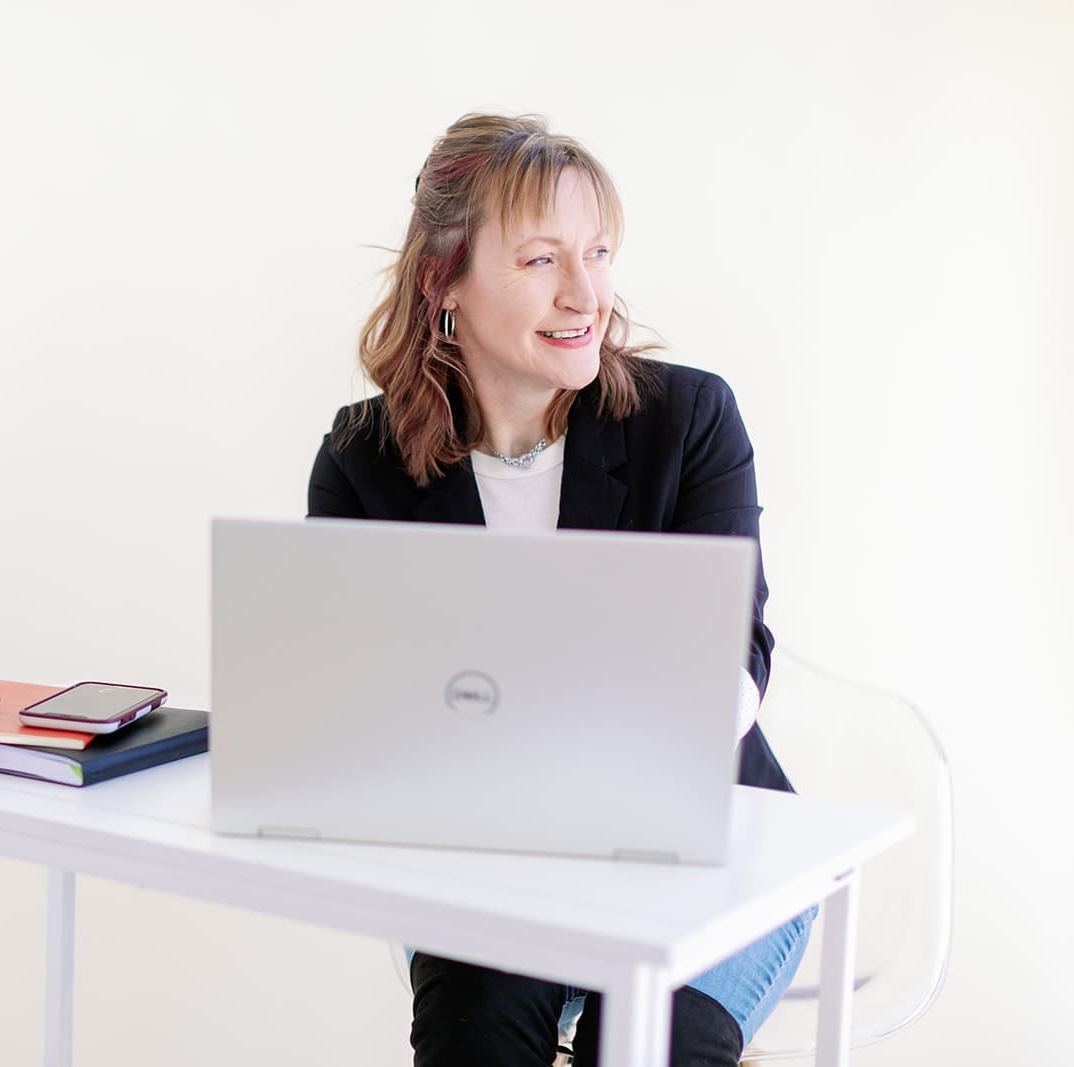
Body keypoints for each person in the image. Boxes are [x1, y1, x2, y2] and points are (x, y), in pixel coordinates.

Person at [307, 113, 816, 1067]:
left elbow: (729, 665)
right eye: (542, 259)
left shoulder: (688, 420)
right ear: (442, 279)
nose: (585, 293)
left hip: (709, 855)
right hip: (491, 866)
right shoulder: (362, 461)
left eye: (598, 252)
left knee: (645, 1043)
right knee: (478, 1032)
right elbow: (353, 724)